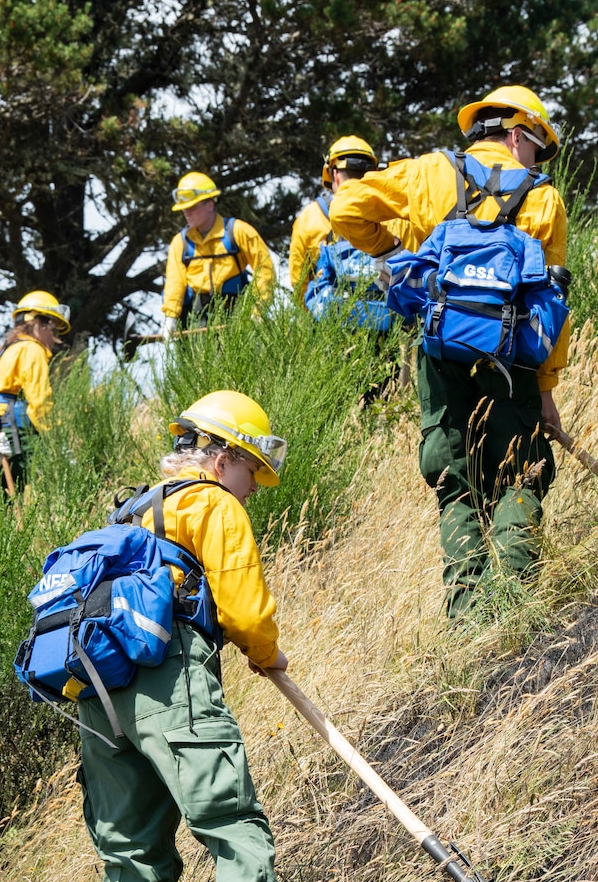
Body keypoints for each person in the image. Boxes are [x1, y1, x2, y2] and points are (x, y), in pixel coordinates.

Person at [67, 389, 290, 882]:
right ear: (222, 458)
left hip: (98, 698)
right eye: (251, 471)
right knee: (236, 830)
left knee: (134, 865)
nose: (252, 489)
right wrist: (267, 653)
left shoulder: (131, 509)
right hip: (170, 681)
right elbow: (246, 611)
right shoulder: (212, 505)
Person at [329, 86, 571, 617]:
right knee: (522, 474)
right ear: (516, 135)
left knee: (453, 480)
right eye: (538, 145)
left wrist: (396, 254)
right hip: (512, 363)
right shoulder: (544, 197)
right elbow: (553, 306)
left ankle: (466, 617)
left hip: (440, 352)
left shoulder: (428, 173)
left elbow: (344, 207)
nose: (537, 158)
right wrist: (547, 393)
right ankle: (514, 607)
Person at [0, 291, 69, 492]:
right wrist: (57, 438)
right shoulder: (32, 350)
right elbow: (40, 402)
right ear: (39, 323)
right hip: (14, 427)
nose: (55, 338)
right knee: (52, 479)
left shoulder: (9, 349)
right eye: (54, 329)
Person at [159, 172, 275, 332]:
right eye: (184, 209)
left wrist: (258, 310)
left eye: (192, 207)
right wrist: (170, 317)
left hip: (238, 317)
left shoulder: (239, 232)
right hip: (197, 320)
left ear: (210, 204)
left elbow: (265, 270)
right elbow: (174, 282)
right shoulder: (180, 243)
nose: (187, 213)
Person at [288, 136, 380, 299]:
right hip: (388, 320)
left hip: (329, 320)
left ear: (335, 175)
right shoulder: (393, 214)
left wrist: (309, 320)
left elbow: (299, 281)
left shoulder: (309, 218)